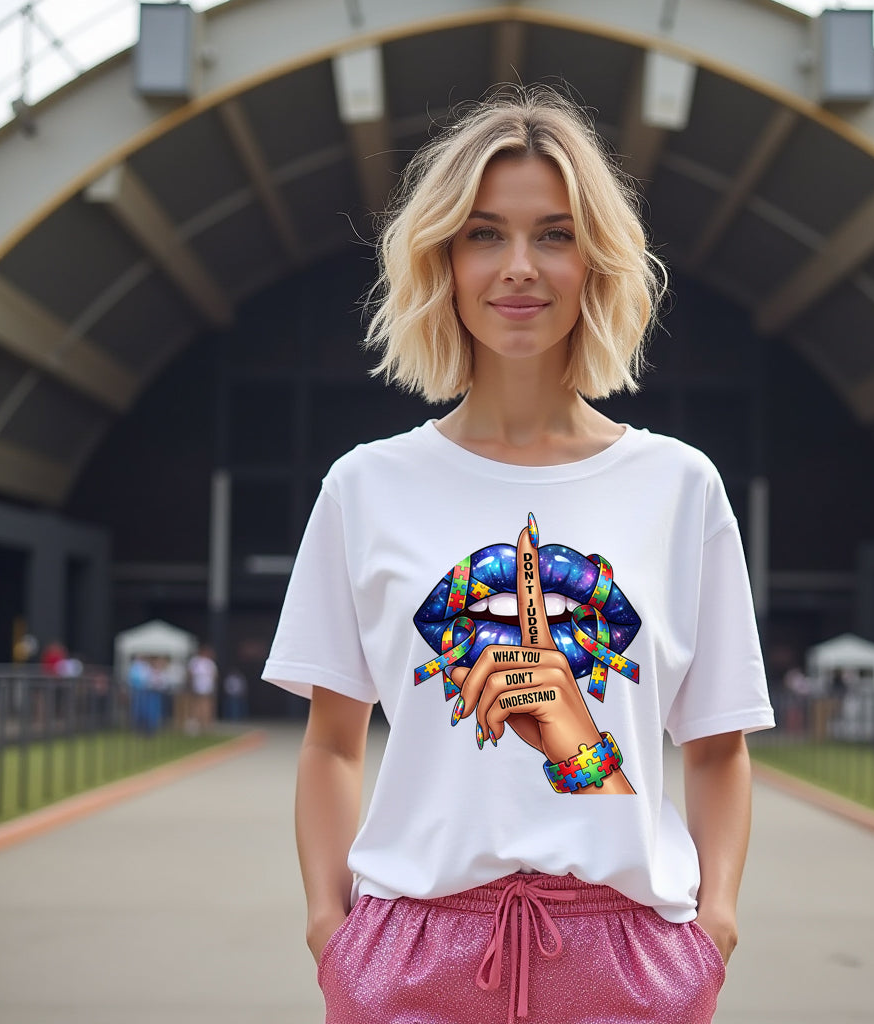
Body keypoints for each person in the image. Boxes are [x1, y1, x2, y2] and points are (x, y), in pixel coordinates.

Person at [263, 86, 774, 1024]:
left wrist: (716, 930)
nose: (520, 268)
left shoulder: (679, 487)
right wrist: (331, 936)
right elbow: (333, 744)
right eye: (485, 234)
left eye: (555, 234)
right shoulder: (366, 488)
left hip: (629, 956)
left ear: (597, 262)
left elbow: (718, 747)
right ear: (444, 262)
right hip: (409, 952)